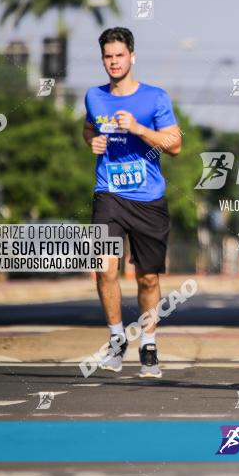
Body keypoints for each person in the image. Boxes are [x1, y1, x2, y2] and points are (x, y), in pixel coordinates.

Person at [83, 27, 183, 378]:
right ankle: (115, 339)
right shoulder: (94, 97)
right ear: (103, 60)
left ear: (132, 57)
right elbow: (88, 128)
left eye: (119, 56)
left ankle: (149, 344)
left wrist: (140, 129)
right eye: (108, 57)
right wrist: (93, 141)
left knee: (148, 278)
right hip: (108, 193)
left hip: (148, 199)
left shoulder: (155, 98)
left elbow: (174, 145)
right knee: (104, 267)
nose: (114, 62)